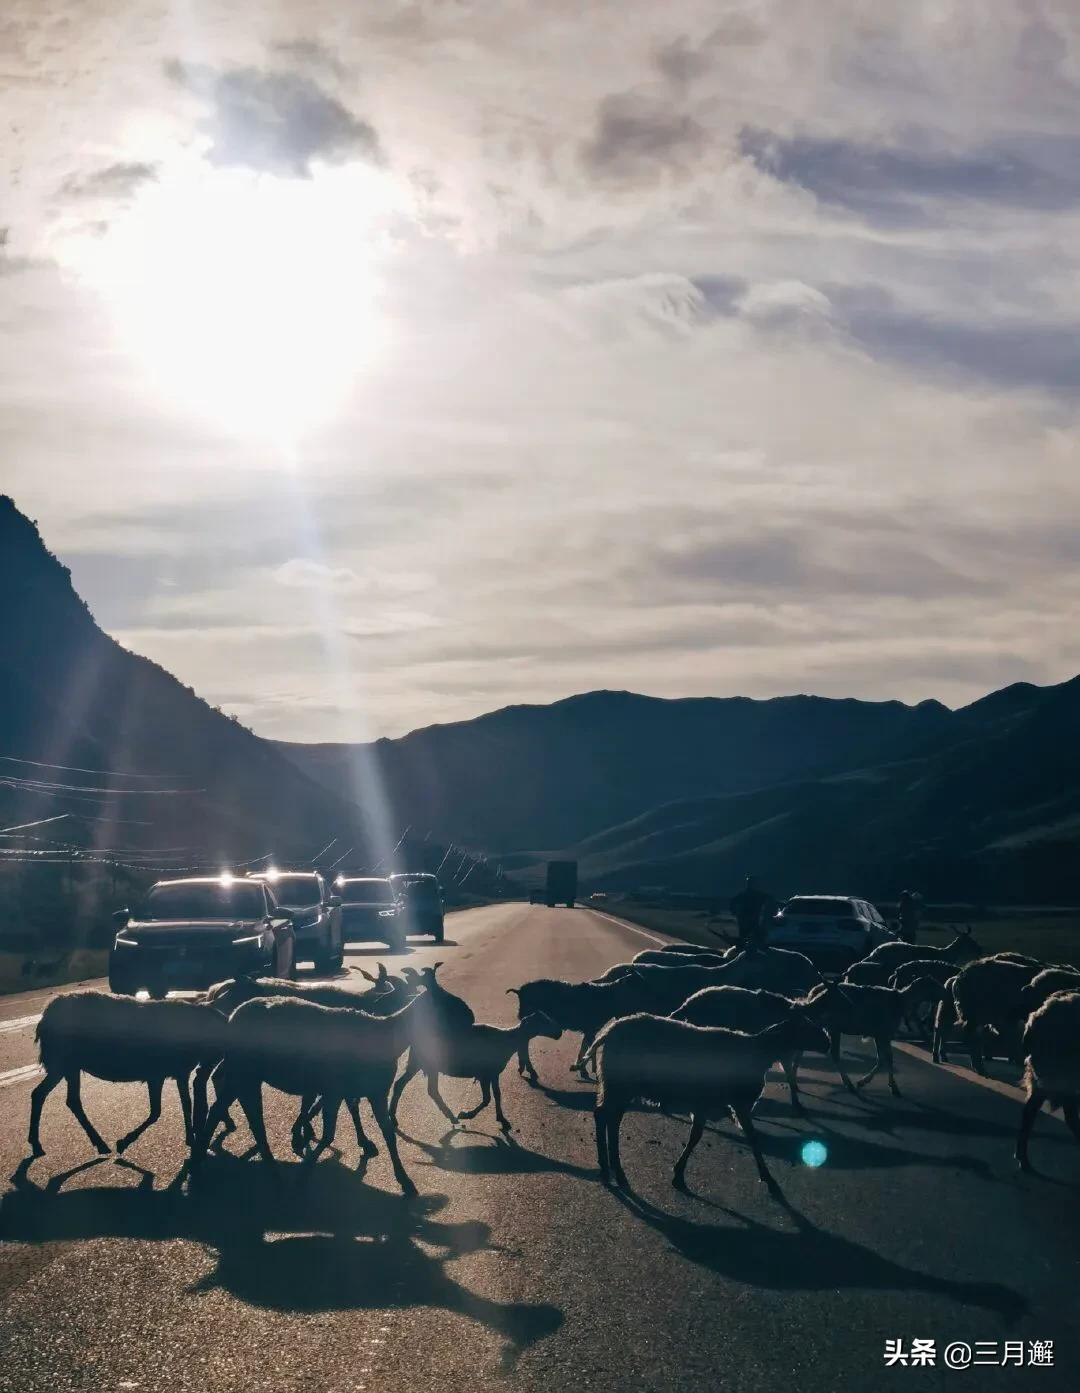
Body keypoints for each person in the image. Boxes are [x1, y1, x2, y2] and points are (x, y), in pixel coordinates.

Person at [727, 874, 775, 948]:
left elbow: (732, 903)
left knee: (748, 937)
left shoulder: (747, 895)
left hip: (749, 920)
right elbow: (732, 903)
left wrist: (734, 912)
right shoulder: (757, 895)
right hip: (749, 921)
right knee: (751, 937)